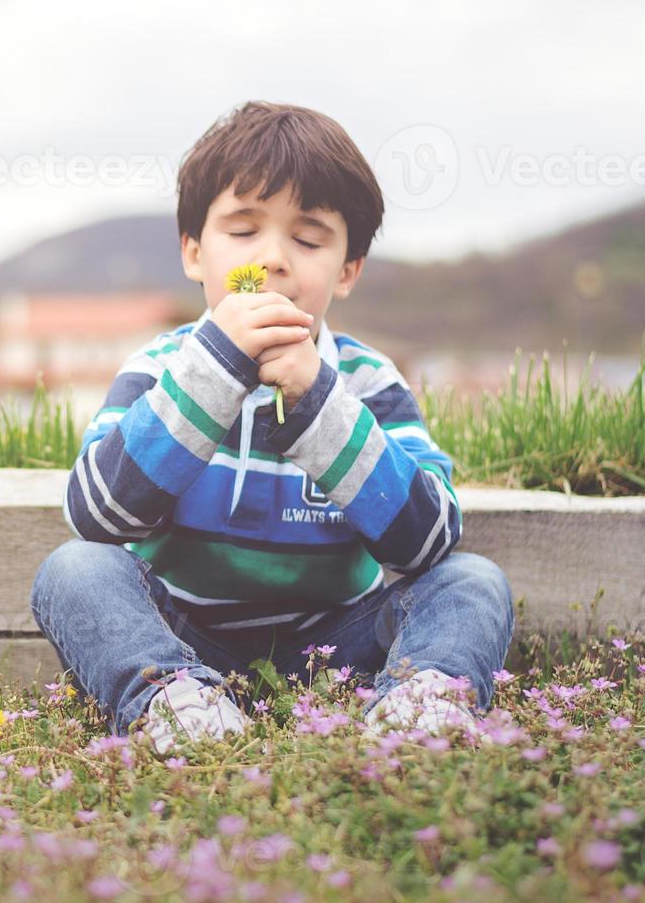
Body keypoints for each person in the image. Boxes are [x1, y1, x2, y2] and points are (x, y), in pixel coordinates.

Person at [29, 101, 515, 754]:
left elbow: (426, 543)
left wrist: (321, 401)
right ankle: (177, 710)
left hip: (338, 647)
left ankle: (414, 718)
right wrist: (213, 376)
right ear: (194, 253)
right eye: (243, 231)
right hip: (184, 637)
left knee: (473, 580)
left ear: (347, 271)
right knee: (74, 570)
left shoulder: (370, 382)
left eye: (309, 240)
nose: (274, 260)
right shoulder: (159, 369)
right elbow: (98, 515)